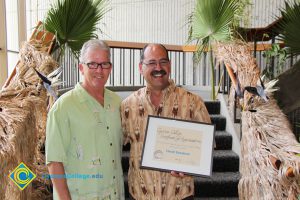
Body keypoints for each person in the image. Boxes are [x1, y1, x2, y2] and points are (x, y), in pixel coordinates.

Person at [121, 43, 211, 200]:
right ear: (140, 67)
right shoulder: (127, 106)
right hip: (140, 195)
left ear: (169, 65)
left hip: (180, 195)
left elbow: (207, 148)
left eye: (163, 62)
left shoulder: (193, 102)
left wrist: (191, 166)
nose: (158, 67)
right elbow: (114, 144)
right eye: (151, 63)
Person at [46, 39, 125, 200]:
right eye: (92, 64)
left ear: (110, 68)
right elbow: (54, 162)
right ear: (81, 67)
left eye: (104, 64)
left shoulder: (117, 103)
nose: (99, 70)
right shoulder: (63, 107)